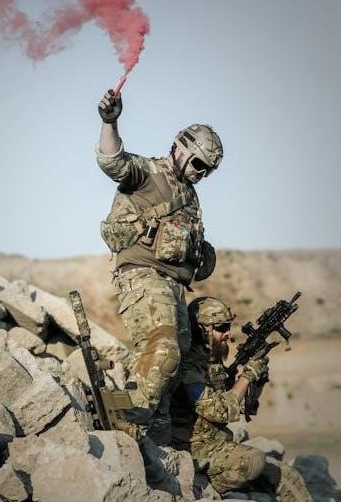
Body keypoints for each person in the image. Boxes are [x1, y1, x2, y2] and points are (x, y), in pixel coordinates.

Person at [95, 89, 222, 450]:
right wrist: (110, 121)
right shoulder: (149, 173)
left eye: (207, 171)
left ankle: (156, 449)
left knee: (169, 370)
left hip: (174, 288)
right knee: (163, 350)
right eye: (198, 165)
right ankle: (123, 425)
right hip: (143, 277)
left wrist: (201, 255)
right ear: (180, 148)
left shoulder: (191, 197)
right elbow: (112, 161)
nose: (201, 174)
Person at [170, 296, 312, 501]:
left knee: (287, 476)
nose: (228, 333)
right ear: (201, 330)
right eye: (221, 328)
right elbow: (220, 411)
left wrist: (258, 380)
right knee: (254, 460)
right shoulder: (188, 368)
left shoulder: (211, 361)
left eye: (229, 326)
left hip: (219, 444)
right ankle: (210, 486)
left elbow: (243, 406)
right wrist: (247, 376)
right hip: (195, 451)